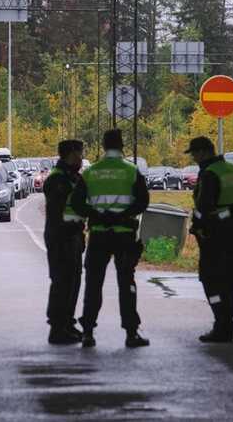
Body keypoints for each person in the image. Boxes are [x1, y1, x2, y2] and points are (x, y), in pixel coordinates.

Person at [71, 129, 150, 349]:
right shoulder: (132, 171)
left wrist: (97, 214)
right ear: (122, 145)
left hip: (99, 234)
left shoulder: (91, 173)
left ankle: (88, 332)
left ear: (103, 146)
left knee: (93, 284)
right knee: (126, 283)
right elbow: (143, 201)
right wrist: (122, 214)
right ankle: (131, 333)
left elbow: (77, 203)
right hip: (124, 235)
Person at [186, 136, 233, 343]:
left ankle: (221, 322)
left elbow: (203, 208)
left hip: (213, 235)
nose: (193, 158)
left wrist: (197, 227)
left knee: (210, 280)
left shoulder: (209, 174)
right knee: (229, 279)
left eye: (193, 153)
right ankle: (227, 323)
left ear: (203, 152)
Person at [43, 140, 85, 344]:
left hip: (74, 235)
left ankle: (67, 322)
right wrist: (68, 231)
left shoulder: (73, 177)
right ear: (70, 154)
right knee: (62, 281)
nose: (82, 158)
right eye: (79, 154)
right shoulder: (58, 179)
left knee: (73, 281)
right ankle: (57, 327)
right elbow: (56, 213)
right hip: (61, 237)